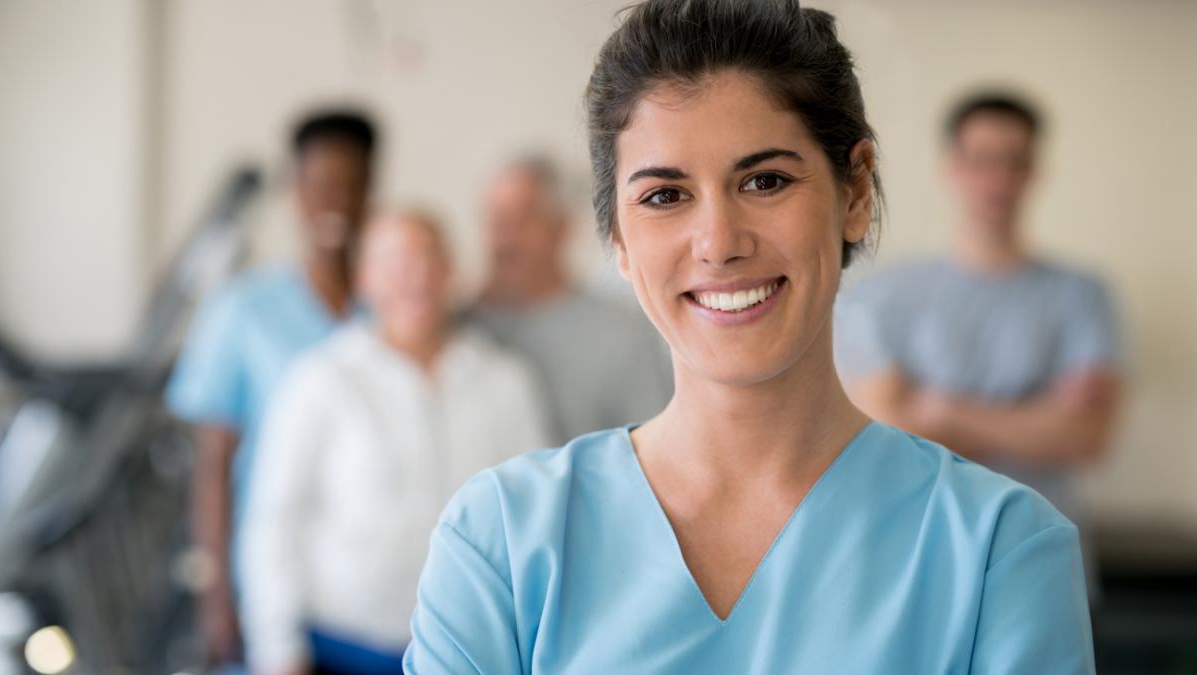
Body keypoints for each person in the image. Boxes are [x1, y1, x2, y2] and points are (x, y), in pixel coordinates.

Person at [403, 2, 1096, 673]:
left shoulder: (1000, 552)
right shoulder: (501, 543)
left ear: (854, 194)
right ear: (616, 235)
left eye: (765, 180)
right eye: (664, 196)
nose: (719, 243)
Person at [239, 211, 550, 675]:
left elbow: (536, 513)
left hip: (470, 651)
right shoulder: (321, 378)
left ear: (452, 273)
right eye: (396, 262)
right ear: (365, 279)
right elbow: (274, 519)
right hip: (338, 648)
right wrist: (277, 650)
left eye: (430, 258)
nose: (417, 277)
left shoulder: (504, 380)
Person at [835, 93, 1122, 592]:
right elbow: (889, 430)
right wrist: (1035, 420)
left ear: (1034, 172)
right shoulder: (883, 297)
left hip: (1044, 565)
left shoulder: (1082, 295)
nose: (999, 178)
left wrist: (943, 410)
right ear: (952, 168)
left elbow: (1085, 435)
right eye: (982, 159)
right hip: (917, 565)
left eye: (1014, 161)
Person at [167, 110, 377, 666]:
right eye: (317, 184)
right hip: (266, 581)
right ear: (294, 190)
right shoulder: (242, 310)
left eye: (349, 183)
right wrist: (215, 596)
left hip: (366, 595)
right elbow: (213, 463)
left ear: (370, 192)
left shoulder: (390, 312)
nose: (332, 200)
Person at [469, 156, 672, 443]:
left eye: (522, 220)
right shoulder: (461, 327)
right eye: (496, 220)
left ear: (561, 228)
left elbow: (656, 446)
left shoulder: (621, 333)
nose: (505, 239)